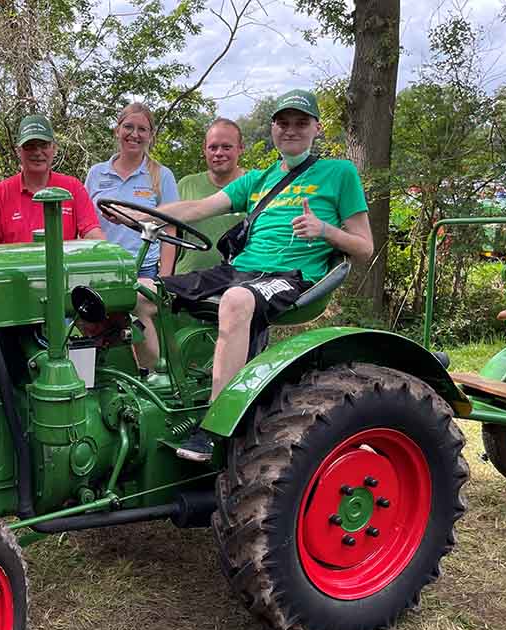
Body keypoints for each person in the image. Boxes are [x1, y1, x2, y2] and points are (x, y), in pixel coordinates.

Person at [111, 89, 372, 461]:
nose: (291, 130)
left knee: (235, 300)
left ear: (317, 128)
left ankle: (213, 427)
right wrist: (139, 216)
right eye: (283, 123)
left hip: (291, 274)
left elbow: (364, 247)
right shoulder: (260, 179)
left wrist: (325, 231)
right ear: (273, 130)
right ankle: (160, 385)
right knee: (137, 293)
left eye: (301, 123)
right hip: (239, 270)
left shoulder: (339, 173)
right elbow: (199, 207)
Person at [86, 103, 180, 365]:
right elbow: (85, 222)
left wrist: (165, 277)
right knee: (86, 323)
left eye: (142, 129)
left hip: (144, 269)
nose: (134, 134)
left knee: (139, 315)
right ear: (117, 130)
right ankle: (90, 383)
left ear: (151, 135)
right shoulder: (96, 174)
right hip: (103, 268)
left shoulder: (161, 175)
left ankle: (151, 377)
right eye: (128, 127)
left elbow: (171, 225)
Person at [0, 115, 105, 244]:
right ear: (18, 151)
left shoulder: (72, 187)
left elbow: (92, 232)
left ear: (54, 148)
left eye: (44, 145)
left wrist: (105, 250)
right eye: (30, 146)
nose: (37, 152)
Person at [174, 118, 248, 274]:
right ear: (204, 150)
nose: (219, 153)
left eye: (226, 147)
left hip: (239, 283)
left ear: (241, 148)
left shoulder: (256, 185)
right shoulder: (186, 185)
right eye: (213, 147)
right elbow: (169, 235)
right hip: (186, 281)